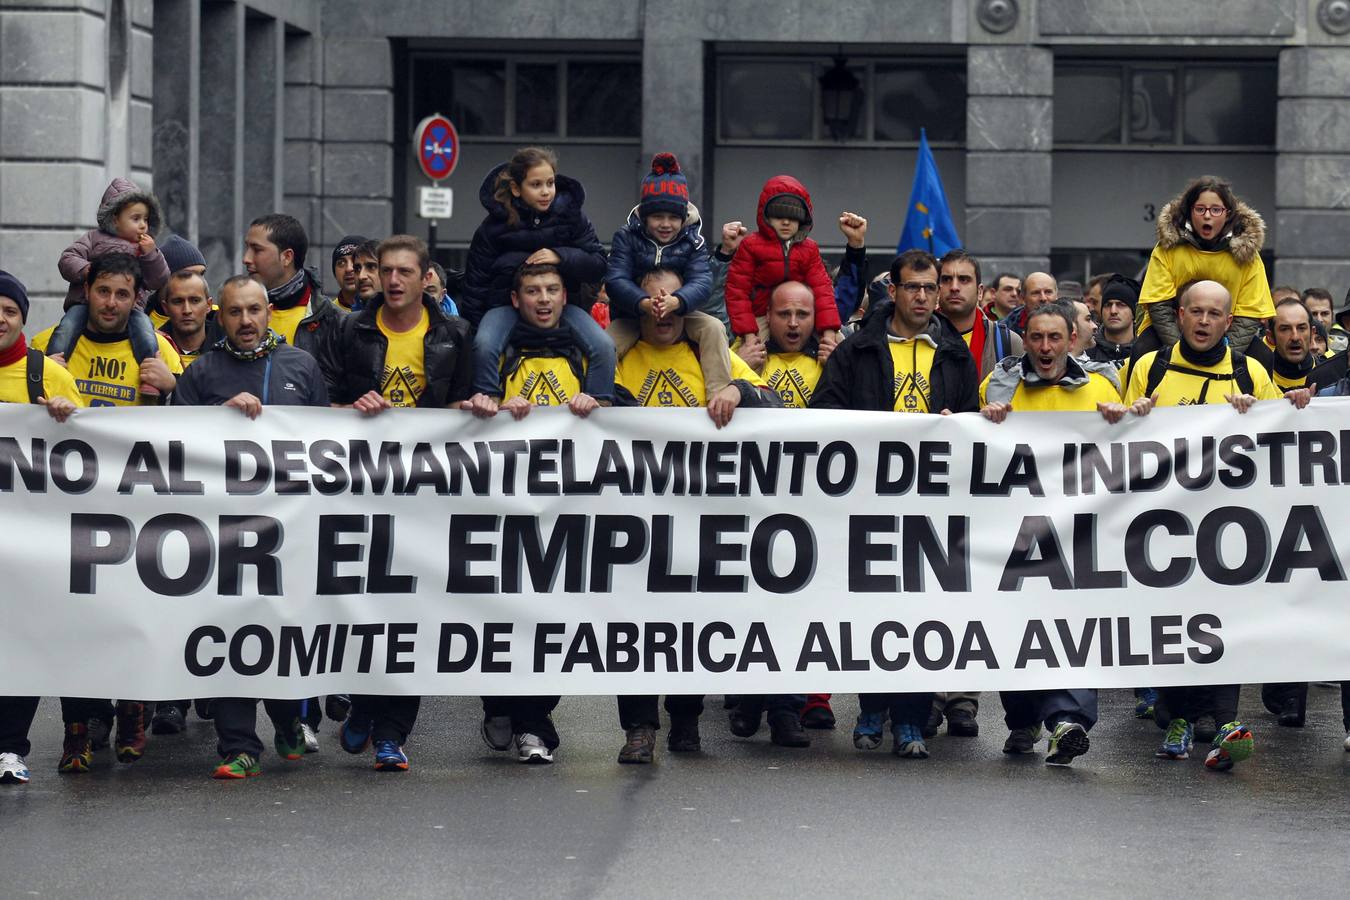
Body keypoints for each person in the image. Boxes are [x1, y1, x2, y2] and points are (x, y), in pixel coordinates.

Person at [1124, 279, 1311, 771]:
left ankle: (1226, 722)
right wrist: (1133, 415)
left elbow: (1282, 436)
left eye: (1214, 314)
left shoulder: (1250, 372)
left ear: (1229, 322)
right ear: (1179, 315)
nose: (1204, 321)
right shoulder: (1150, 367)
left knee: (1225, 621)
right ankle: (1178, 718)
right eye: (1196, 311)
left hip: (1229, 524)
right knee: (1171, 625)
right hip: (1163, 524)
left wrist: (1274, 411)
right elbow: (1114, 437)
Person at [811, 249, 980, 759]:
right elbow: (822, 412)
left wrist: (958, 426)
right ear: (894, 290)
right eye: (913, 287)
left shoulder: (954, 353)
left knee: (921, 613)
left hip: (931, 507)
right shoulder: (857, 349)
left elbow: (972, 421)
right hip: (868, 502)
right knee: (872, 609)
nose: (923, 297)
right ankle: (871, 709)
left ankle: (909, 720)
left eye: (930, 288)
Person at [611, 268, 784, 763]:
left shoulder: (708, 351)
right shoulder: (618, 354)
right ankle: (640, 728)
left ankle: (685, 720)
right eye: (653, 299)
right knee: (635, 627)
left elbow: (774, 400)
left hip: (699, 519)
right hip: (636, 519)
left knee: (691, 623)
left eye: (672, 298)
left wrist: (739, 391)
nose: (663, 307)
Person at [319, 234, 474, 771]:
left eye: (404, 271)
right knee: (367, 608)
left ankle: (391, 732)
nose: (391, 280)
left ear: (426, 277)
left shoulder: (454, 333)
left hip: (427, 494)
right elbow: (321, 402)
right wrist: (349, 406)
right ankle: (364, 704)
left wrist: (473, 406)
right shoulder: (350, 329)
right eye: (383, 270)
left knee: (415, 614)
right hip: (363, 490)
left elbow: (468, 402)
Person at [171, 276, 328, 778]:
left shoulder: (300, 365)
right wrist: (217, 419)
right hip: (223, 532)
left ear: (268, 312)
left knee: (280, 633)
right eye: (235, 312)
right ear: (220, 316)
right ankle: (238, 747)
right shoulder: (201, 371)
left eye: (254, 310)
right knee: (228, 636)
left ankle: (287, 719)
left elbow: (329, 442)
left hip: (290, 530)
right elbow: (172, 445)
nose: (245, 321)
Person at [30, 254, 182, 771]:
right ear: (87, 291)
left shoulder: (158, 348)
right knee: (75, 622)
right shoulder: (49, 346)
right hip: (68, 510)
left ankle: (133, 707)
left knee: (131, 617)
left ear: (137, 298)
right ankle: (80, 725)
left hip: (138, 510)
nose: (111, 303)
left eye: (122, 294)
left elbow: (195, 424)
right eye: (103, 292)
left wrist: (173, 387)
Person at [979, 301, 1148, 765]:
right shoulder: (999, 385)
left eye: (1055, 337)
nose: (1045, 346)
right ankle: (1023, 721)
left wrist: (1124, 418)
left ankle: (1067, 722)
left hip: (1079, 537)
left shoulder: (1100, 386)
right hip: (1017, 536)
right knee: (1016, 631)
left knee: (1074, 631)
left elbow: (1131, 443)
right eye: (1036, 337)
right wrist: (984, 419)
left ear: (1072, 339)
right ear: (1025, 341)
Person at [460, 262, 602, 764]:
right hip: (501, 513)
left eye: (552, 290)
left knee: (554, 623)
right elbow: (462, 410)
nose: (543, 299)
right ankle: (499, 705)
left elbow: (620, 415)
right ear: (515, 300)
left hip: (565, 516)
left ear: (566, 297)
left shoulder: (584, 354)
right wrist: (490, 408)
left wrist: (598, 406)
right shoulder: (495, 352)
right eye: (533, 291)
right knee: (497, 619)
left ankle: (534, 722)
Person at [0, 270, 84, 785]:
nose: (0, 319)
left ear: (23, 320)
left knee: (20, 642)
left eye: (9, 310)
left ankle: (9, 747)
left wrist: (67, 415)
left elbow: (94, 451)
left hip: (28, 542)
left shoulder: (47, 375)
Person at [459, 147, 614, 404]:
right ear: (516, 188)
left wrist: (560, 256)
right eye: (536, 184)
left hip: (564, 307)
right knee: (484, 344)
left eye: (550, 183)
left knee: (604, 347)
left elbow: (599, 264)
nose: (545, 191)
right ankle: (489, 404)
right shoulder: (491, 228)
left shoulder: (573, 218)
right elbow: (476, 284)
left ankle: (600, 406)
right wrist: (474, 329)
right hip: (504, 307)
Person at [605, 153, 732, 395]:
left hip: (680, 312)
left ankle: (719, 394)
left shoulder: (693, 241)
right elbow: (615, 280)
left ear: (683, 219)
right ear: (645, 217)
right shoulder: (626, 237)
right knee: (604, 345)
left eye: (673, 217)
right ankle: (604, 399)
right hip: (633, 314)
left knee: (714, 328)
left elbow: (702, 282)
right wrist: (643, 303)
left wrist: (678, 301)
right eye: (657, 217)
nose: (666, 224)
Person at [1133, 175, 1273, 361]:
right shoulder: (1167, 247)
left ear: (1228, 213)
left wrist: (1222, 355)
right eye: (1200, 209)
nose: (1207, 216)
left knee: (1263, 356)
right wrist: (1181, 351)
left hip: (1227, 334)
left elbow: (1248, 316)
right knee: (1141, 350)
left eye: (1216, 210)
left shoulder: (1248, 256)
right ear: (1189, 212)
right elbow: (1159, 306)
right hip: (1173, 331)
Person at [723, 175, 843, 351]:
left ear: (802, 220)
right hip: (760, 315)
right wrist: (748, 333)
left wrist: (829, 331)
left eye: (793, 218)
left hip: (801, 314)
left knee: (840, 347)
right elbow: (737, 291)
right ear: (766, 217)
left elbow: (822, 291)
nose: (786, 222)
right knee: (747, 353)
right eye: (779, 216)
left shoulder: (810, 249)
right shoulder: (750, 245)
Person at [50, 177, 167, 358]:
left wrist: (151, 255)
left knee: (145, 330)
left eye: (145, 219)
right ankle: (54, 362)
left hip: (131, 309)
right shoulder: (93, 238)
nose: (143, 225)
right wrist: (88, 271)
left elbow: (158, 280)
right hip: (84, 303)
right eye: (136, 219)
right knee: (67, 328)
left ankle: (150, 365)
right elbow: (67, 259)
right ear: (115, 219)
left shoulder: (146, 249)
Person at [242, 213, 344, 356]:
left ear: (287, 257)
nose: (246, 259)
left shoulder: (334, 322)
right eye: (247, 248)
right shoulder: (230, 316)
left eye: (257, 250)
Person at [158, 269, 222, 367]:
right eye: (178, 302)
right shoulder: (153, 350)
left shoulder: (229, 350)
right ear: (165, 308)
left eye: (195, 301)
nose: (187, 310)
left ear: (208, 305)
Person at [1085, 275, 1139, 367]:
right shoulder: (1086, 352)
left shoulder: (1146, 353)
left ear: (1134, 312)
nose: (1113, 311)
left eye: (1121, 305)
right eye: (1108, 305)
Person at [1002, 271, 1056, 336]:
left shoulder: (1066, 322)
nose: (1043, 298)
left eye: (1048, 292)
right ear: (1022, 298)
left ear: (1056, 296)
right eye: (1036, 293)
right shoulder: (1004, 331)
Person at [331, 234, 369, 312]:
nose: (349, 269)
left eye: (355, 261)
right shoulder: (326, 315)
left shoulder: (387, 311)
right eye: (341, 263)